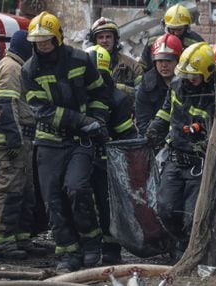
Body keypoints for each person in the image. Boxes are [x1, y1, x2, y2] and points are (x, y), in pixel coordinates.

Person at [21, 12, 110, 272]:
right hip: (49, 141)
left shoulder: (81, 60)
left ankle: (91, 244)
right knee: (53, 198)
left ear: (58, 37)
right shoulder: (30, 70)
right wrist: (82, 120)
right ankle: (67, 252)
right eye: (37, 41)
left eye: (46, 40)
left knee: (77, 188)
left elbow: (99, 92)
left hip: (80, 143)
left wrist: (98, 119)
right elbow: (42, 110)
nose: (42, 45)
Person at [145, 42, 216, 261]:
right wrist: (156, 125)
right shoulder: (177, 85)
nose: (188, 80)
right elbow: (167, 110)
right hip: (175, 157)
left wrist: (199, 131)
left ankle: (188, 250)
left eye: (193, 76)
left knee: (191, 214)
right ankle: (178, 243)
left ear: (207, 73)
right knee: (165, 208)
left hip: (199, 162)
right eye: (185, 75)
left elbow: (215, 127)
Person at [0, 30, 44, 260]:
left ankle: (21, 237)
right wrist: (13, 139)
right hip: (12, 140)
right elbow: (6, 105)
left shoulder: (16, 66)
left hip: (22, 138)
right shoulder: (11, 68)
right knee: (9, 190)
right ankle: (3, 242)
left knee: (25, 191)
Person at [85, 45, 138, 265]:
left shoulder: (118, 99)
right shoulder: (79, 95)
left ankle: (111, 248)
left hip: (107, 163)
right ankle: (86, 246)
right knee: (82, 203)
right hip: (83, 157)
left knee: (107, 206)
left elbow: (126, 135)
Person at [135, 33, 183, 136]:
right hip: (156, 139)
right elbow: (142, 122)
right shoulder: (147, 84)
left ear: (178, 61)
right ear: (154, 62)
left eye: (168, 60)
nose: (164, 65)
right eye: (160, 60)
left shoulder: (187, 82)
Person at [87, 17, 143, 98]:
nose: (104, 40)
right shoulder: (87, 63)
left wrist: (122, 89)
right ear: (95, 41)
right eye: (100, 37)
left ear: (115, 39)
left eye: (108, 37)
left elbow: (142, 93)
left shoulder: (132, 65)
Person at [139, 3, 204, 72]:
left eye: (179, 29)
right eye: (172, 29)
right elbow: (143, 65)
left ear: (186, 27)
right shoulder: (154, 41)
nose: (175, 33)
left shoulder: (196, 43)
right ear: (165, 26)